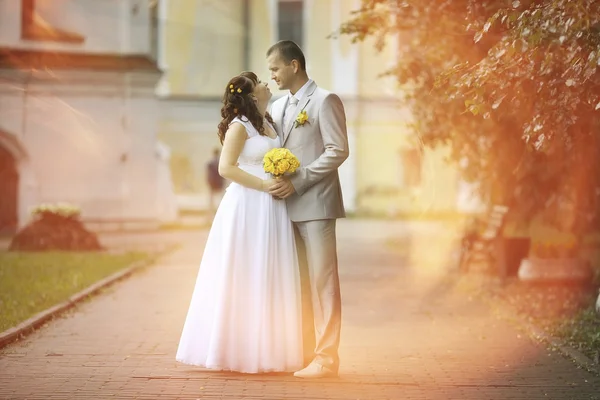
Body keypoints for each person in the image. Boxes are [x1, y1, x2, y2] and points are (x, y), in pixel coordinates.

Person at [176, 74, 304, 373]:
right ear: (249, 93)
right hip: (248, 205)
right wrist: (263, 186)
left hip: (272, 207)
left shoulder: (268, 123)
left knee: (269, 270)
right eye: (259, 80)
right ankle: (235, 351)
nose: (266, 82)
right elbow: (225, 168)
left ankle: (268, 349)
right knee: (246, 271)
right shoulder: (239, 126)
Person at [266, 40, 349, 378]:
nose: (271, 75)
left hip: (316, 206)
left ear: (294, 66)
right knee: (296, 284)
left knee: (323, 282)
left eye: (275, 68)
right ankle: (302, 354)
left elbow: (337, 150)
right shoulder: (276, 104)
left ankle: (327, 359)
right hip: (282, 210)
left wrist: (298, 180)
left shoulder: (325, 100)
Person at [206, 148, 224, 215]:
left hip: (212, 183)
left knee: (211, 200)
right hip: (219, 183)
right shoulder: (220, 162)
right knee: (220, 199)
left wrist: (208, 182)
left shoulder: (210, 162)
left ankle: (210, 215)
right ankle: (220, 213)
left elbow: (208, 175)